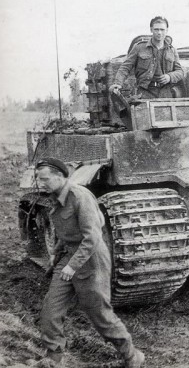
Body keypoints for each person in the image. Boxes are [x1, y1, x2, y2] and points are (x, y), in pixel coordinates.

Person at [35, 157, 144, 368]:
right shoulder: (57, 197)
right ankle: (53, 357)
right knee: (50, 309)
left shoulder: (80, 197)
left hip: (91, 259)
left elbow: (92, 238)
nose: (41, 183)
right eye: (39, 179)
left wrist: (71, 266)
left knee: (99, 314)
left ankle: (131, 355)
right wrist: (56, 252)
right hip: (69, 257)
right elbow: (65, 231)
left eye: (45, 179)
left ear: (60, 176)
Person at [109, 16, 185, 99]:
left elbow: (180, 71)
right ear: (151, 30)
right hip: (144, 92)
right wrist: (118, 83)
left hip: (166, 93)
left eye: (162, 30)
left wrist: (170, 77)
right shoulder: (139, 47)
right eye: (156, 29)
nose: (159, 32)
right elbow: (125, 67)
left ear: (167, 30)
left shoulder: (172, 50)